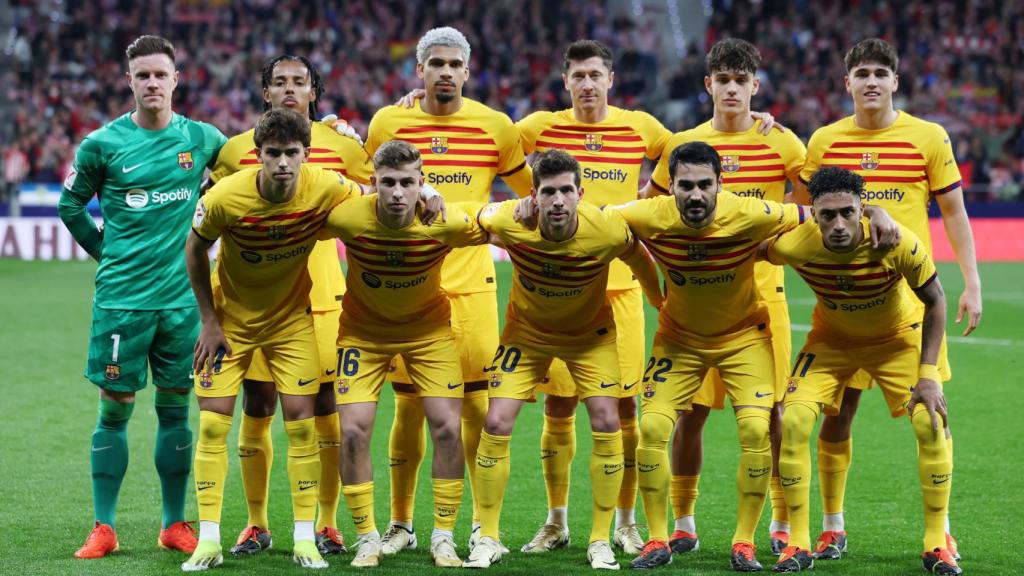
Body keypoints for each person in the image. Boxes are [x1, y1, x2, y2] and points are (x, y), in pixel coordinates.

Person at [797, 38, 980, 561]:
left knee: (931, 413)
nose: (871, 81)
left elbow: (953, 213)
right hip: (843, 303)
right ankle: (833, 525)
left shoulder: (928, 136)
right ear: (847, 83)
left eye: (880, 72)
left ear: (895, 81)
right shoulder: (825, 140)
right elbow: (807, 211)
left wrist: (972, 281)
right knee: (838, 413)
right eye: (862, 73)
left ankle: (940, 533)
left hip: (913, 305)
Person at [364, 26, 533, 555]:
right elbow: (363, 181)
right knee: (409, 410)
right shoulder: (389, 123)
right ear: (419, 71)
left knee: (482, 411)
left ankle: (486, 530)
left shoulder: (496, 127)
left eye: (452, 64)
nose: (443, 72)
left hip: (474, 289)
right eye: (433, 63)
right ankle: (401, 524)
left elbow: (531, 195)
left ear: (466, 71)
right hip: (409, 288)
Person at [59, 34, 226, 560]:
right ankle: (103, 527)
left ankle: (174, 524)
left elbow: (255, 162)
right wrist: (105, 253)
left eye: (161, 74)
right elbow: (70, 207)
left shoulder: (202, 138)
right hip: (121, 304)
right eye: (142, 75)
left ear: (177, 79)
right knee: (115, 409)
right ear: (129, 81)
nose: (152, 83)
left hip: (183, 304)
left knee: (177, 412)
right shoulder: (102, 145)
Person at [641, 38, 807, 555]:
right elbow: (651, 211)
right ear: (707, 85)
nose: (732, 89)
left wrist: (769, 246)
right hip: (693, 303)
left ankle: (779, 519)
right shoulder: (682, 145)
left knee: (772, 414)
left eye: (742, 81)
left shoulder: (783, 143)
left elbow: (808, 213)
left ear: (755, 87)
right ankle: (684, 520)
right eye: (723, 80)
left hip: (763, 301)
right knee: (690, 412)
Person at [462, 150, 663, 570]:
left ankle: (600, 539)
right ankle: (489, 537)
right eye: (548, 192)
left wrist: (659, 299)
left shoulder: (606, 229)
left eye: (566, 191)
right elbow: (470, 216)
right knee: (496, 423)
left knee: (608, 421)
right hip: (527, 335)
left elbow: (639, 257)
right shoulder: (509, 220)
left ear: (580, 193)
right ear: (533, 196)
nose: (557, 201)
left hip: (589, 338)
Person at [615, 141, 810, 571]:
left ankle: (744, 542)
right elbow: (590, 218)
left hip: (744, 337)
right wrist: (526, 207)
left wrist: (877, 213)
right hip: (679, 339)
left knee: (758, 429)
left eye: (705, 185)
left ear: (721, 185)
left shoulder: (751, 213)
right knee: (652, 426)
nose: (696, 195)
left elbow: (816, 214)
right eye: (685, 186)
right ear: (671, 189)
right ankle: (658, 538)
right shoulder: (648, 215)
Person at [181, 108, 361, 571]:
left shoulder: (325, 184)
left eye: (292, 154)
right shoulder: (225, 196)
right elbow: (195, 247)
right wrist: (208, 320)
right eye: (273, 154)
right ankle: (209, 539)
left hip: (290, 323)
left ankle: (304, 538)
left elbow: (373, 197)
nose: (283, 163)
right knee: (212, 425)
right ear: (257, 155)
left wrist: (421, 189)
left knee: (302, 426)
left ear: (307, 154)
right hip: (230, 322)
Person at [765, 166, 959, 575]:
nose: (838, 224)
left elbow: (936, 300)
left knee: (930, 423)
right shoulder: (792, 245)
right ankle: (800, 542)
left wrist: (927, 374)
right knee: (796, 419)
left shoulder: (895, 240)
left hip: (896, 340)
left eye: (848, 213)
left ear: (861, 210)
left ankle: (936, 540)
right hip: (831, 341)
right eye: (827, 215)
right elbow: (748, 244)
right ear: (812, 214)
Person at [323, 140, 487, 568]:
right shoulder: (346, 216)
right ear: (374, 183)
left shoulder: (445, 221)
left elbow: (495, 222)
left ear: (421, 184)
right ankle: (367, 538)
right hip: (362, 334)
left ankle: (444, 536)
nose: (397, 193)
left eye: (408, 183)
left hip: (429, 334)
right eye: (389, 183)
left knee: (448, 428)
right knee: (355, 431)